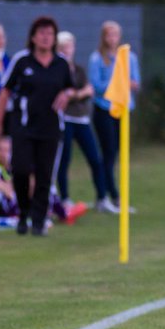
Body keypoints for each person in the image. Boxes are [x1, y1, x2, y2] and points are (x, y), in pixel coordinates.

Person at [0, 15, 74, 236]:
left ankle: (38, 221)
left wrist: (66, 94)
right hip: (23, 126)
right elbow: (4, 92)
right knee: (20, 170)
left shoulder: (62, 63)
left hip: (51, 128)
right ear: (33, 37)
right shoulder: (22, 60)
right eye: (42, 33)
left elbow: (70, 87)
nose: (46, 38)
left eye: (50, 34)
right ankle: (23, 212)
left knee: (45, 175)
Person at [55, 31, 112, 214]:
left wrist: (76, 94)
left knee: (95, 159)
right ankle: (64, 199)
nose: (66, 50)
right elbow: (61, 94)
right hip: (65, 119)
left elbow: (89, 91)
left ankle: (102, 198)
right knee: (64, 161)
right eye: (62, 47)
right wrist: (78, 93)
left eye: (69, 46)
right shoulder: (56, 69)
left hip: (82, 118)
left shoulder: (78, 69)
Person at [88, 20, 140, 209]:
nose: (112, 38)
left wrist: (125, 84)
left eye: (115, 34)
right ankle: (108, 197)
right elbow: (97, 86)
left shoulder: (129, 57)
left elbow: (135, 83)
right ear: (104, 37)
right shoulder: (97, 58)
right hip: (104, 110)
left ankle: (113, 196)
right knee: (108, 153)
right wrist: (116, 84)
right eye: (109, 35)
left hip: (123, 110)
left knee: (118, 153)